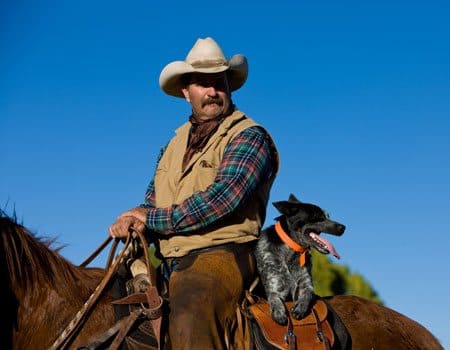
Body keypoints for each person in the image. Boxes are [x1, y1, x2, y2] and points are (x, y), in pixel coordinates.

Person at [109, 37, 279, 349]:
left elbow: (223, 199)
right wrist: (131, 220)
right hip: (169, 259)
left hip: (223, 255)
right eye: (203, 84)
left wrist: (151, 218)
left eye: (219, 82)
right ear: (186, 92)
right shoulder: (171, 146)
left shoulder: (249, 137)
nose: (212, 91)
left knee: (189, 313)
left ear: (229, 85)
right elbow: (151, 203)